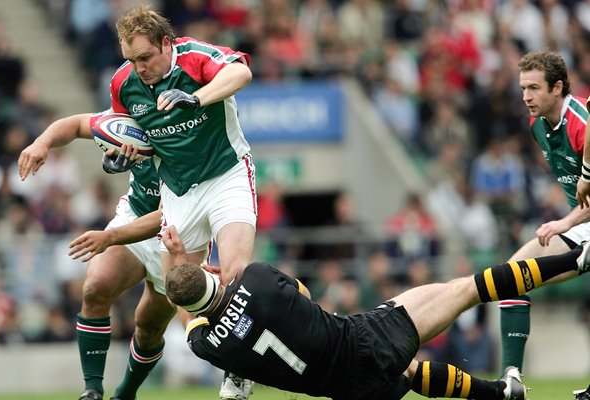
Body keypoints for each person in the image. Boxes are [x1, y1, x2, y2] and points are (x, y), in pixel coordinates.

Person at [163, 225, 590, 400]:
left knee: (405, 375)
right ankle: (578, 260)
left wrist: (173, 264)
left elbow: (189, 316)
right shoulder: (254, 278)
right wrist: (180, 255)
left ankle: (500, 394)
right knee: (468, 288)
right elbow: (304, 293)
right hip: (363, 338)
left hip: (352, 392)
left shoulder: (206, 344)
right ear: (212, 271)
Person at [108, 6, 257, 398]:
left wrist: (197, 98)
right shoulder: (123, 83)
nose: (139, 68)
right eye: (131, 59)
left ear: (166, 43)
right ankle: (221, 351)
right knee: (181, 289)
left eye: (145, 57)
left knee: (236, 272)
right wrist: (119, 154)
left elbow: (241, 72)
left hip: (227, 176)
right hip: (177, 191)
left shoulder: (195, 56)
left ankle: (237, 369)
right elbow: (127, 132)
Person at [17, 112, 181, 400]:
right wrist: (42, 143)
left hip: (177, 233)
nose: (141, 72)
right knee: (96, 285)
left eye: (145, 62)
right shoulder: (136, 104)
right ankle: (92, 389)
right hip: (135, 212)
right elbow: (77, 124)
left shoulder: (190, 132)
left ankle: (126, 393)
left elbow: (173, 214)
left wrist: (109, 237)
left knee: (148, 327)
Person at [498, 50, 590, 382]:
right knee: (510, 277)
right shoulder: (537, 125)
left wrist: (564, 222)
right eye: (523, 88)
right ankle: (511, 378)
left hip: (577, 224)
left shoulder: (582, 122)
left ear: (557, 87)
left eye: (534, 88)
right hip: (583, 227)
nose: (526, 97)